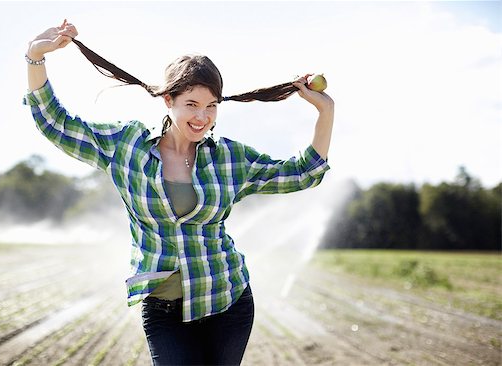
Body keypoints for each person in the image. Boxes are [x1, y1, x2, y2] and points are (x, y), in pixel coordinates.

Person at [24, 19, 334, 366]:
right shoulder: (127, 147)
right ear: (168, 100)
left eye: (212, 106)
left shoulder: (230, 158)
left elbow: (304, 173)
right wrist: (35, 57)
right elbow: (55, 123)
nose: (202, 117)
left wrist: (326, 111)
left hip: (228, 302)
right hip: (163, 310)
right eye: (191, 104)